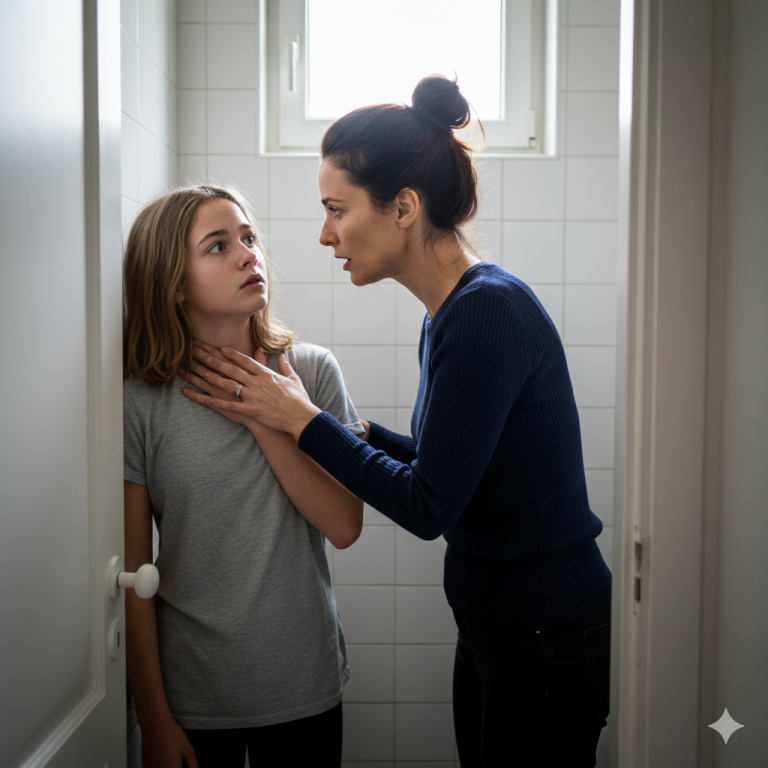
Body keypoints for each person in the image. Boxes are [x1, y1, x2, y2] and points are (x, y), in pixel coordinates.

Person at [183, 76, 612, 767]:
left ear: (404, 207)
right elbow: (449, 463)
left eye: (336, 210)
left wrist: (301, 420)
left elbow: (427, 504)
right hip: (501, 624)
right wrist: (344, 429)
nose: (325, 235)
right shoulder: (451, 312)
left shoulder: (484, 313)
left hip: (546, 634)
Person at [122, 184, 364, 768]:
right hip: (193, 698)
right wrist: (153, 719)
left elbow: (343, 525)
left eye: (249, 238)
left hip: (303, 683)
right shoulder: (142, 400)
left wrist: (264, 414)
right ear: (174, 284)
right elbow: (130, 572)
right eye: (218, 246)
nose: (248, 254)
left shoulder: (311, 371)